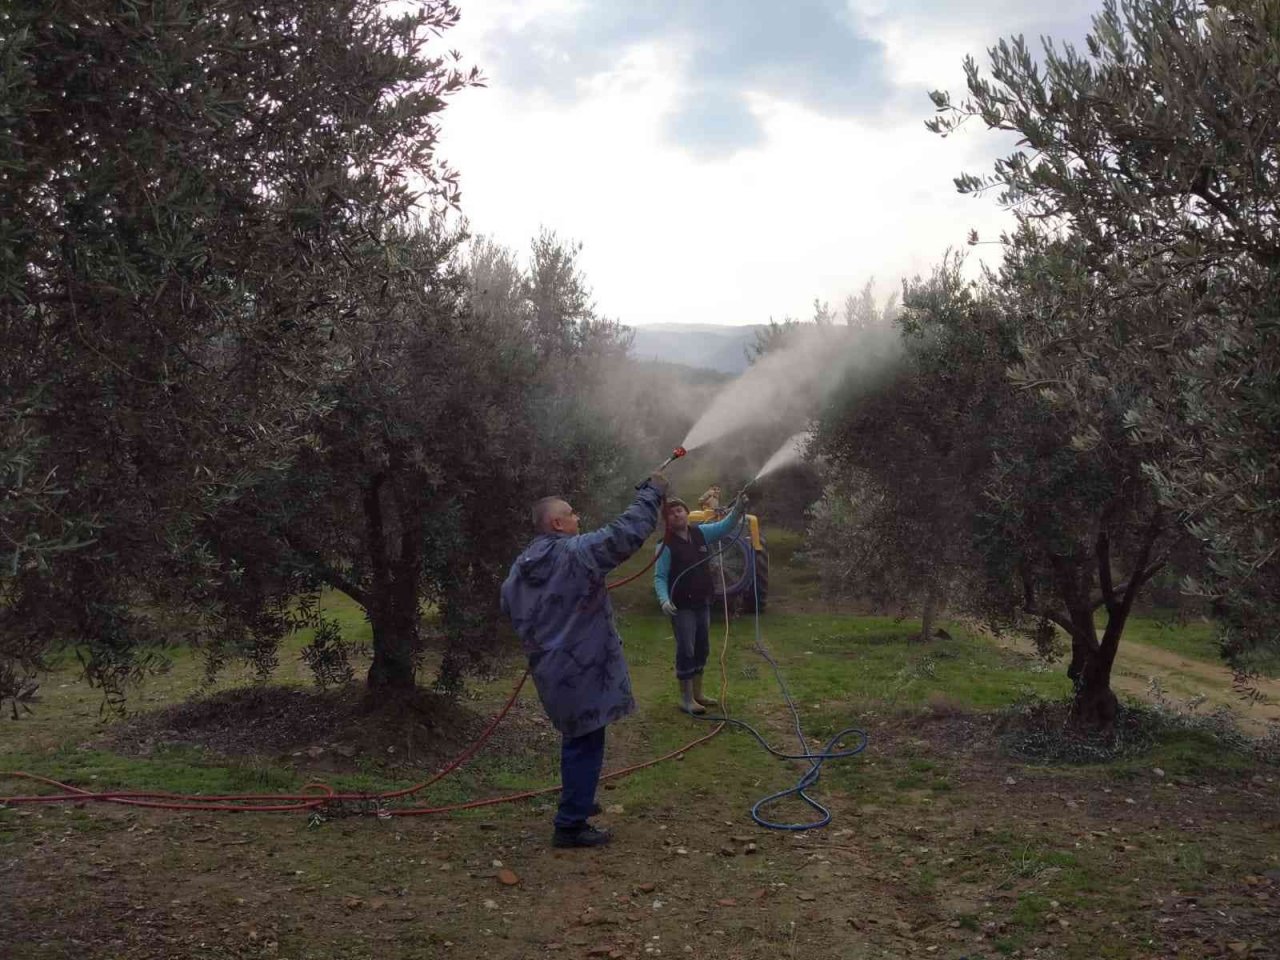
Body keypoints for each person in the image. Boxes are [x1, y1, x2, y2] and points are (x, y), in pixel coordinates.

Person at [500, 474, 668, 848]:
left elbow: (508, 607)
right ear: (557, 523)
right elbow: (625, 534)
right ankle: (570, 825)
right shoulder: (575, 553)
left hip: (551, 672)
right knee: (586, 741)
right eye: (572, 514)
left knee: (577, 737)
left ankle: (579, 799)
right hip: (583, 668)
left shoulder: (519, 568)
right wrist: (652, 494)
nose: (578, 519)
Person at [653, 493, 746, 715]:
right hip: (681, 606)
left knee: (702, 647)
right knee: (686, 648)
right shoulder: (664, 545)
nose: (676, 514)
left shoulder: (700, 533)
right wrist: (664, 600)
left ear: (686, 513)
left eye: (679, 510)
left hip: (702, 601)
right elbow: (660, 577)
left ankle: (697, 694)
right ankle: (685, 699)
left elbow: (725, 527)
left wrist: (739, 508)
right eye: (671, 513)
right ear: (667, 520)